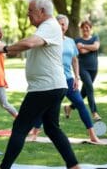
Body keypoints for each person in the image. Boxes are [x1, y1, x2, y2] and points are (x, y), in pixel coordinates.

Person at [0, 0, 80, 169]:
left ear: (42, 11)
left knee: (20, 127)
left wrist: (4, 49)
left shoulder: (50, 26)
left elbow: (29, 43)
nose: (28, 14)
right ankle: (73, 166)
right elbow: (29, 44)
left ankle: (3, 167)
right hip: (53, 86)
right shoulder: (46, 27)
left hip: (45, 88)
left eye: (30, 11)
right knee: (51, 128)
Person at [30, 14, 100, 143]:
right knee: (45, 106)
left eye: (63, 24)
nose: (60, 26)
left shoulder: (70, 41)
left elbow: (75, 60)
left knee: (80, 104)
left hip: (68, 80)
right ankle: (34, 133)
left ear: (66, 27)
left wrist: (77, 77)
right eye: (58, 23)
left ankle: (93, 135)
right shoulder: (49, 40)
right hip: (54, 80)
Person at [64, 20, 101, 121]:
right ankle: (94, 112)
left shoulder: (95, 38)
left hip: (93, 68)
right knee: (90, 88)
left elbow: (96, 47)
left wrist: (84, 46)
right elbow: (82, 52)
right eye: (83, 27)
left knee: (84, 92)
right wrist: (91, 48)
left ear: (90, 28)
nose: (85, 29)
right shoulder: (76, 41)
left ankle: (70, 107)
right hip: (82, 68)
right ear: (81, 29)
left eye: (87, 27)